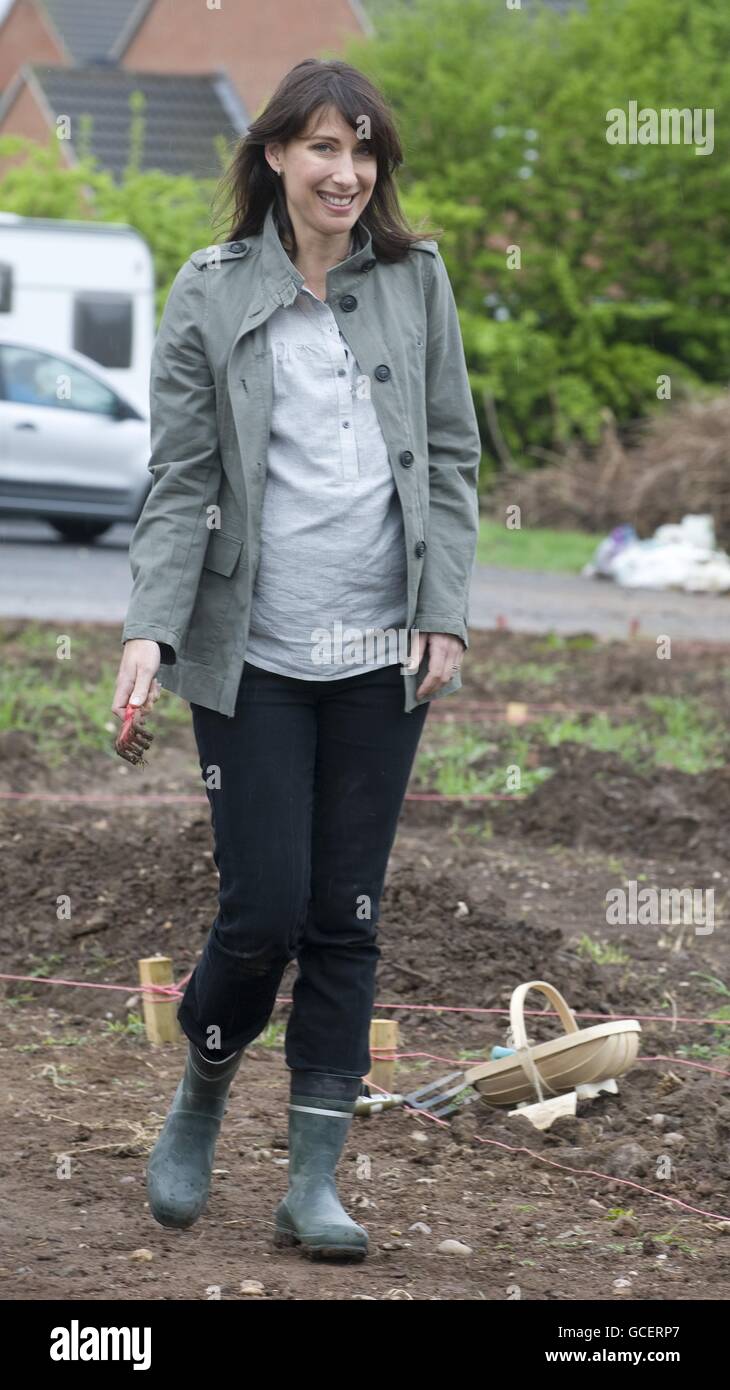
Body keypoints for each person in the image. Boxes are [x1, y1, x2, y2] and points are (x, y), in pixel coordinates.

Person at [112, 57, 481, 1262]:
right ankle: (202, 1096)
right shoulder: (211, 290)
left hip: (382, 660)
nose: (347, 171)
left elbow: (451, 454)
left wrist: (447, 610)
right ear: (273, 153)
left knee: (347, 915)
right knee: (263, 906)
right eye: (323, 146)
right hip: (255, 654)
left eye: (364, 150)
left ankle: (312, 1179)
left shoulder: (416, 281)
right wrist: (145, 628)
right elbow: (180, 482)